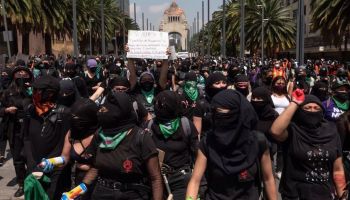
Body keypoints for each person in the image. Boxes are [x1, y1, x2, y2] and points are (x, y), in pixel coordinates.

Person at [186, 90, 277, 200]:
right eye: (217, 114)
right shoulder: (208, 142)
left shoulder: (258, 141)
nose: (220, 119)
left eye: (226, 115)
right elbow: (195, 181)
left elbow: (268, 179)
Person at [83, 92, 163, 200]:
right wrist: (76, 191)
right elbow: (95, 168)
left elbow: (155, 178)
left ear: (121, 112)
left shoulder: (141, 137)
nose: (101, 112)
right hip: (101, 193)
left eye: (106, 110)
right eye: (102, 109)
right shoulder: (100, 134)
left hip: (131, 194)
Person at [270, 91, 346, 200]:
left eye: (316, 108)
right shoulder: (293, 130)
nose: (312, 111)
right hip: (295, 194)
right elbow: (275, 131)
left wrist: (342, 196)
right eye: (307, 108)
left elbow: (338, 170)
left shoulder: (332, 132)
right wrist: (295, 103)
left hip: (324, 194)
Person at [23, 75, 72, 200]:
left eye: (37, 91)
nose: (33, 93)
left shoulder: (64, 113)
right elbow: (27, 138)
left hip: (56, 171)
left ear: (50, 94)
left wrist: (48, 163)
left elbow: (64, 144)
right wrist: (32, 163)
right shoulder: (30, 111)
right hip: (34, 170)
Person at [42, 98, 99, 200]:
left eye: (77, 118)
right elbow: (65, 157)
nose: (73, 120)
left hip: (96, 185)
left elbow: (98, 167)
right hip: (76, 180)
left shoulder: (100, 136)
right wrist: (52, 162)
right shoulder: (72, 133)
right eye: (72, 117)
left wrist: (78, 191)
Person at [148, 91, 199, 200]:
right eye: (159, 104)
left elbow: (196, 152)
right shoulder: (150, 125)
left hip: (180, 178)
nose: (161, 107)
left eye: (166, 104)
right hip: (155, 179)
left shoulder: (185, 124)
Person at [0, 66, 33, 197]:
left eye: (24, 73)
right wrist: (7, 110)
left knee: (31, 159)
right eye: (18, 73)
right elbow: (1, 108)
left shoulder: (34, 89)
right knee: (18, 160)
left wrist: (33, 90)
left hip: (31, 129)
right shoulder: (8, 92)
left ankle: (33, 183)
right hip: (14, 129)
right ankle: (22, 184)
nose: (21, 75)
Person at [251, 86, 279, 159]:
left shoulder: (273, 115)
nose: (255, 100)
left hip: (269, 153)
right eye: (253, 98)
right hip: (251, 152)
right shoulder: (249, 113)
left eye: (259, 99)